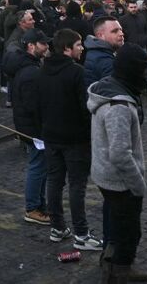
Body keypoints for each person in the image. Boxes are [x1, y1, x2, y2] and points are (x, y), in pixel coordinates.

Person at [89, 44, 147, 283]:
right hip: (119, 181)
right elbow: (120, 153)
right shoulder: (119, 106)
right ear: (132, 70)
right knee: (129, 230)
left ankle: (112, 264)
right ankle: (120, 270)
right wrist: (138, 184)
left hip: (105, 174)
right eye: (144, 69)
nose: (146, 75)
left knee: (118, 225)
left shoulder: (107, 91)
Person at [38, 30, 102, 251]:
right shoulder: (77, 72)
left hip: (50, 135)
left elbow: (37, 104)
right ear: (67, 48)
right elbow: (85, 107)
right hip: (75, 139)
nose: (82, 48)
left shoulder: (42, 70)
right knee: (77, 185)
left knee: (55, 181)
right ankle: (81, 234)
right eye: (78, 44)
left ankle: (57, 227)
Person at [5, 32, 49, 225]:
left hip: (29, 126)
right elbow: (33, 106)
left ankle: (39, 205)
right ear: (31, 46)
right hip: (33, 128)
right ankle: (33, 208)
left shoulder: (28, 67)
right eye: (43, 43)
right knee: (37, 166)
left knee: (40, 165)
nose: (46, 47)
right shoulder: (30, 72)